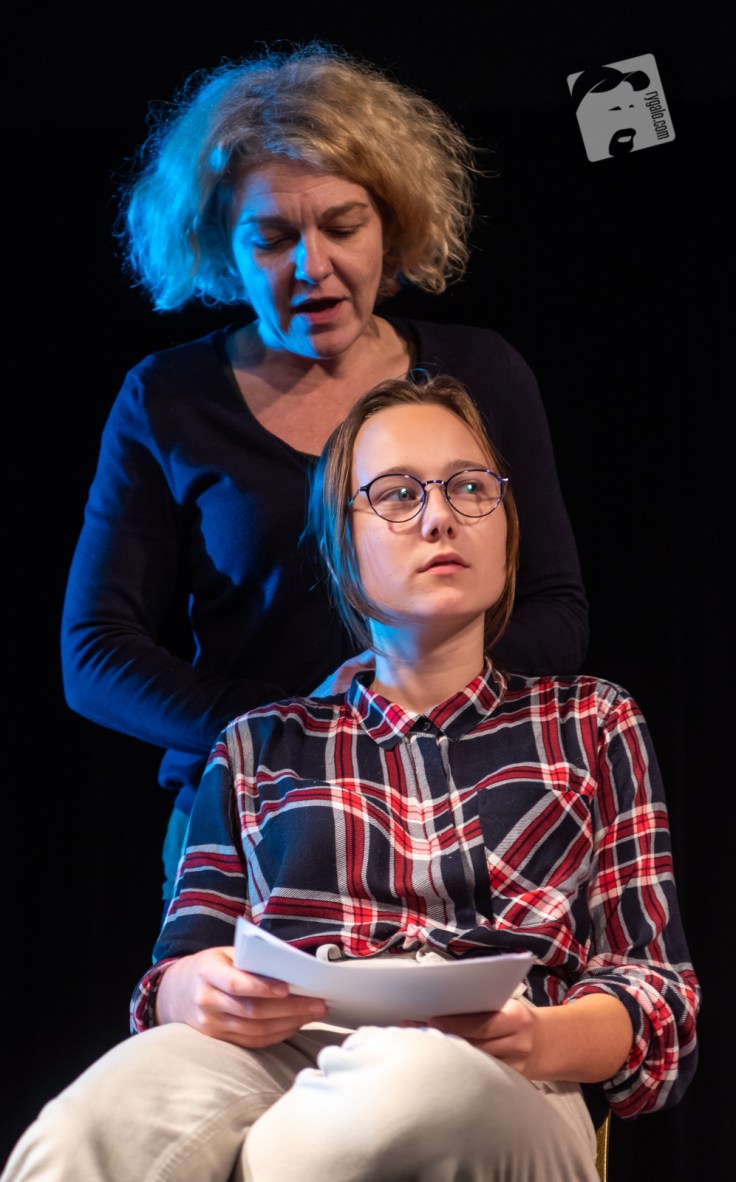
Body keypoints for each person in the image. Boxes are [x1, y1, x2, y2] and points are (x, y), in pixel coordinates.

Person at [7, 376, 699, 1181]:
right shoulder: (259, 744)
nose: (440, 517)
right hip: (279, 1048)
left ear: (508, 527)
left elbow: (658, 1000)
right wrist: (191, 989)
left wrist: (539, 1036)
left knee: (407, 1098)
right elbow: (175, 976)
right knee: (87, 1129)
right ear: (341, 546)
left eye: (471, 488)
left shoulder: (591, 721)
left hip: (500, 1061)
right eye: (399, 495)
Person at [59, 41, 590, 902]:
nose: (313, 265)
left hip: (466, 801)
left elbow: (556, 610)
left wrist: (405, 704)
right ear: (222, 248)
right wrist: (294, 728)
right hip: (256, 818)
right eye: (272, 238)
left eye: (343, 227)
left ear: (391, 224)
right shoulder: (169, 398)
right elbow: (96, 654)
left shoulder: (482, 375)